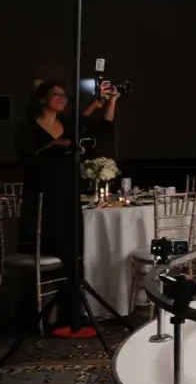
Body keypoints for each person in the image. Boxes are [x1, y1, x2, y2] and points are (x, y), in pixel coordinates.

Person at [14, 79, 121, 330]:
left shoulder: (68, 125)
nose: (62, 98)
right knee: (45, 252)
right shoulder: (28, 128)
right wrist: (51, 146)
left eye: (65, 95)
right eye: (56, 94)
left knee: (74, 255)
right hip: (41, 199)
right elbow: (28, 159)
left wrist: (110, 101)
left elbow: (103, 127)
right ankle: (35, 316)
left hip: (67, 196)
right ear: (42, 98)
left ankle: (71, 313)